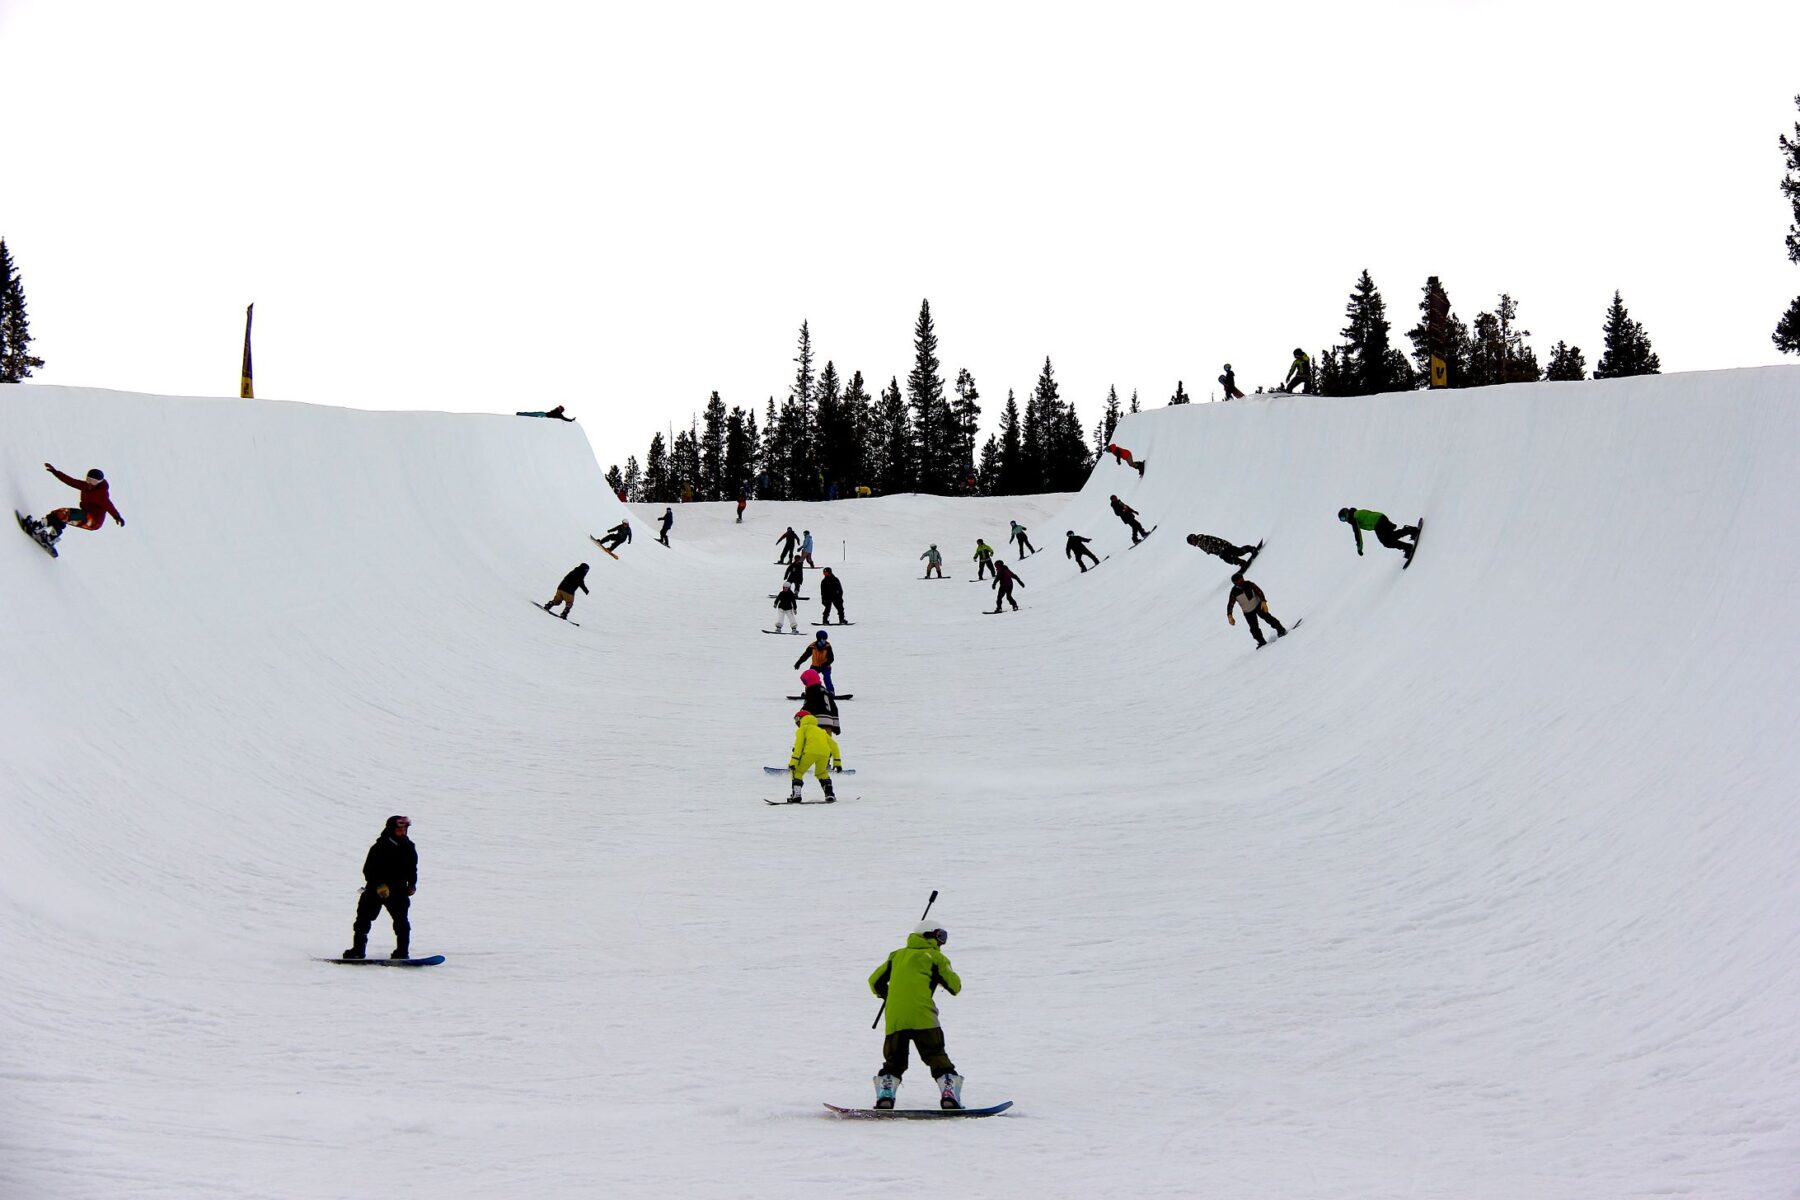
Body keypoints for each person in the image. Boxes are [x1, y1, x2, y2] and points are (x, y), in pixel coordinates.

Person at [868, 920, 963, 1110]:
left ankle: (886, 1094)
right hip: (924, 1017)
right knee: (936, 1055)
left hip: (896, 1017)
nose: (941, 943)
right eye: (940, 937)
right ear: (930, 936)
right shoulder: (935, 957)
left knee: (894, 1061)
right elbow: (955, 986)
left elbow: (874, 981)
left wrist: (888, 995)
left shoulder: (896, 956)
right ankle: (949, 1093)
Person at [343, 815, 418, 959]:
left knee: (401, 922)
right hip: (375, 891)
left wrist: (412, 885)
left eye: (405, 829)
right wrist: (379, 886)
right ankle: (358, 950)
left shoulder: (409, 847)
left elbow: (412, 869)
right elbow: (368, 870)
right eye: (399, 829)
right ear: (391, 829)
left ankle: (402, 952)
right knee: (363, 920)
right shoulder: (379, 846)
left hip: (398, 891)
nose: (403, 832)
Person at [26, 464, 125, 550]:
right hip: (86, 514)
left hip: (93, 521)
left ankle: (38, 527)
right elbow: (71, 481)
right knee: (58, 515)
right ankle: (51, 538)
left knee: (62, 514)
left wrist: (117, 517)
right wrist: (56, 472)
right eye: (88, 480)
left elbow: (109, 506)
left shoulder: (101, 494)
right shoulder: (86, 486)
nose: (90, 483)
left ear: (99, 482)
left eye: (93, 481)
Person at [785, 709, 843, 803]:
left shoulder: (802, 729)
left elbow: (799, 747)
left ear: (802, 719)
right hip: (824, 754)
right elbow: (834, 746)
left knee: (797, 771)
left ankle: (796, 795)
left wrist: (793, 762)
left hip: (809, 753)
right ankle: (829, 794)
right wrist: (837, 762)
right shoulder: (821, 731)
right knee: (821, 773)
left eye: (797, 720)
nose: (797, 723)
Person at [1226, 570, 1287, 647]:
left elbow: (1259, 591)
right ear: (1235, 582)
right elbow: (1230, 604)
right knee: (1254, 628)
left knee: (1268, 618)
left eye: (1242, 578)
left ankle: (1281, 630)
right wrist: (1230, 615)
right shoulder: (1234, 592)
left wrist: (1263, 601)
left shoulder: (1249, 584)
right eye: (1239, 580)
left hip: (1258, 605)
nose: (1242, 580)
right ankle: (1261, 642)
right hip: (1248, 612)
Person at [1337, 507, 1418, 563]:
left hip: (1378, 523)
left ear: (1346, 513)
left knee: (1387, 542)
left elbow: (1357, 533)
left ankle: (1408, 546)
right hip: (1381, 519)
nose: (1345, 521)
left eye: (1343, 518)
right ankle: (1410, 531)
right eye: (1342, 520)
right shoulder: (1356, 513)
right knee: (1390, 538)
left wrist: (1359, 547)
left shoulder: (1353, 517)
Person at [797, 667, 840, 734]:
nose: (805, 684)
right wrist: (836, 726)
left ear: (810, 680)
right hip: (828, 724)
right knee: (826, 743)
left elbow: (810, 704)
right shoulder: (825, 691)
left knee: (815, 742)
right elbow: (834, 708)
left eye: (805, 682)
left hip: (817, 722)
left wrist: (801, 714)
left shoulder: (812, 690)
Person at [1185, 532, 1259, 569]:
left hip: (1224, 547)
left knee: (1235, 554)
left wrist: (1220, 551)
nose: (1193, 544)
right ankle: (1241, 561)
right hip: (1222, 549)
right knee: (1234, 554)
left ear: (1194, 539)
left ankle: (1249, 551)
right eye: (1191, 544)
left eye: (1192, 542)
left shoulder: (1202, 540)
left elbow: (1213, 545)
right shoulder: (1200, 542)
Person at [795, 629, 836, 693]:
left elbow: (831, 658)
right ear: (818, 639)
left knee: (827, 678)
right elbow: (805, 656)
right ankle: (809, 692)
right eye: (823, 640)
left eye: (825, 640)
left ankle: (831, 691)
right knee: (810, 678)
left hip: (825, 666)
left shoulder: (828, 646)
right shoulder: (812, 646)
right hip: (815, 666)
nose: (824, 641)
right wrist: (798, 663)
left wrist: (826, 664)